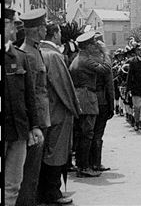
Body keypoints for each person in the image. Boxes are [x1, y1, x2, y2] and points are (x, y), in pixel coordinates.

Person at [38, 22, 80, 205]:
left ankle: (46, 191)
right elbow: (64, 87)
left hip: (45, 112)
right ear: (54, 34)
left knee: (46, 152)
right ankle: (53, 192)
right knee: (57, 153)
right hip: (58, 111)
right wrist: (75, 109)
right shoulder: (54, 56)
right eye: (59, 32)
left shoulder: (39, 52)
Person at [4, 8, 43, 206]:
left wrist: (34, 126)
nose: (16, 27)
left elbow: (30, 96)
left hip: (18, 131)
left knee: (13, 186)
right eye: (13, 23)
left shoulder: (20, 57)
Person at [16, 9, 50, 206]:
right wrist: (34, 124)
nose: (46, 29)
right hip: (36, 119)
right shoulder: (27, 54)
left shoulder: (35, 50)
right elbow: (30, 93)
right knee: (30, 171)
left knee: (35, 169)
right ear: (37, 30)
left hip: (41, 116)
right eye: (44, 26)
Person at [69, 31, 112, 177]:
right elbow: (105, 69)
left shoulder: (77, 58)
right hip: (87, 97)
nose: (95, 45)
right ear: (87, 46)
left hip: (81, 97)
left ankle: (83, 165)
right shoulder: (85, 60)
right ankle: (84, 167)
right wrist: (106, 52)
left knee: (83, 134)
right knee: (87, 134)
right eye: (93, 43)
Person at [89, 33, 114, 171]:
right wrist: (111, 105)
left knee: (88, 132)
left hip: (87, 99)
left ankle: (87, 162)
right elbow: (109, 85)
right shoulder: (105, 60)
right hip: (101, 100)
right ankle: (96, 163)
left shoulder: (84, 58)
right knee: (98, 133)